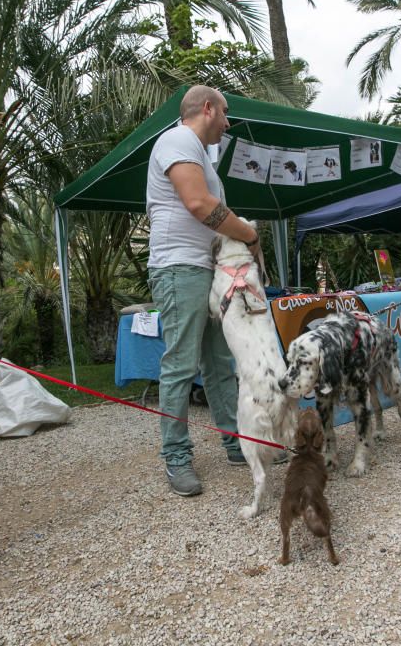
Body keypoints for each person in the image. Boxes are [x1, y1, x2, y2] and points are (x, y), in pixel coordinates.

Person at [146, 85, 265, 498]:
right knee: (181, 363)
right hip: (179, 268)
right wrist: (249, 234)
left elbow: (208, 211)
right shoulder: (178, 139)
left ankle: (235, 443)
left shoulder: (199, 152)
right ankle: (176, 456)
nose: (228, 123)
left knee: (218, 361)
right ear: (208, 108)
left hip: (209, 269)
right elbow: (199, 205)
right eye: (226, 113)